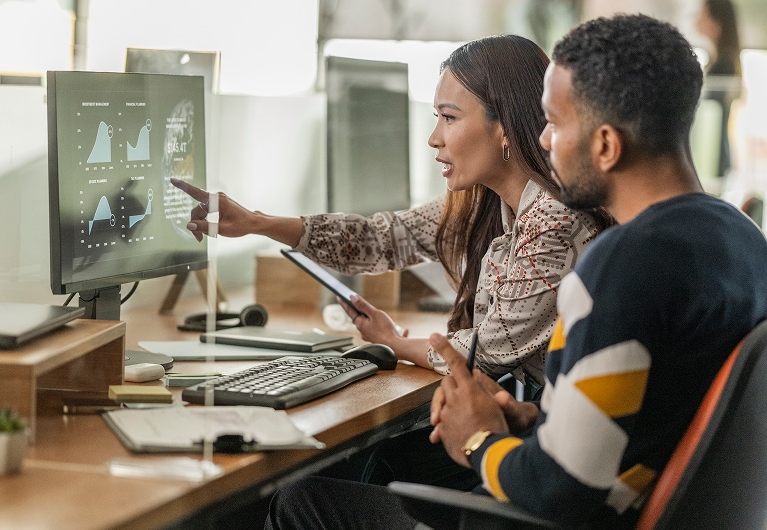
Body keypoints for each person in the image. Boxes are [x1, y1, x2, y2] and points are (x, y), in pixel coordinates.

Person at [262, 13, 767, 530]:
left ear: (607, 145)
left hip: (571, 519)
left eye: (555, 122)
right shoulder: (742, 238)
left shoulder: (621, 268)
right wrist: (532, 420)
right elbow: (656, 414)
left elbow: (559, 491)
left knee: (300, 499)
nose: (543, 141)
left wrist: (478, 440)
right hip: (644, 499)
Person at [172, 34, 611, 389]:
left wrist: (392, 343)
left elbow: (489, 349)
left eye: (449, 118)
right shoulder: (490, 203)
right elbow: (383, 238)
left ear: (505, 127)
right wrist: (257, 223)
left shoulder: (553, 219)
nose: (434, 138)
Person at [696, 0, 742, 177]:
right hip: (714, 153)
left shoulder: (723, 66)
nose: (697, 20)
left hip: (712, 154)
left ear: (717, 23)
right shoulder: (716, 62)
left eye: (703, 14)